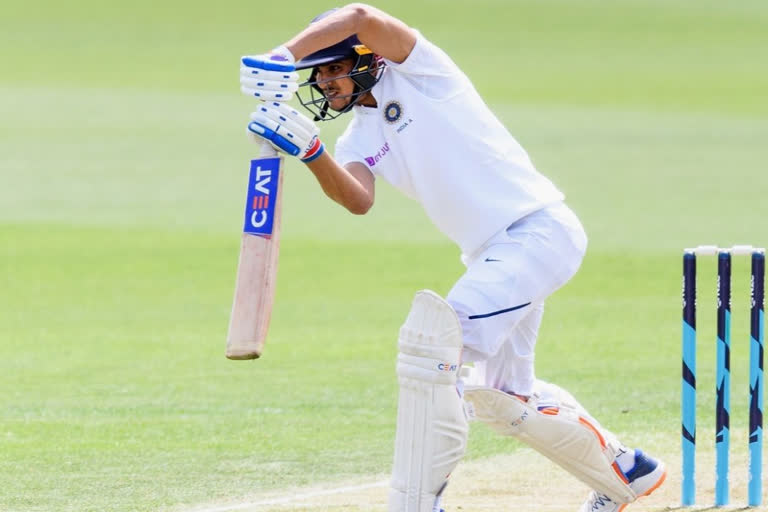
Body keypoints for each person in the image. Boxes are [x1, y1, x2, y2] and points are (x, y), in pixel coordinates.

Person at [239, 4, 667, 511]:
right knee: (503, 399)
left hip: (536, 231)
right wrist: (312, 152)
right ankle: (627, 472)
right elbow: (358, 198)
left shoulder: (422, 72)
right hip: (497, 253)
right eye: (319, 73)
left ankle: (417, 505)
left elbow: (360, 14)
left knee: (432, 349)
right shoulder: (359, 134)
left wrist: (283, 54)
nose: (325, 82)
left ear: (366, 58)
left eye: (334, 68)